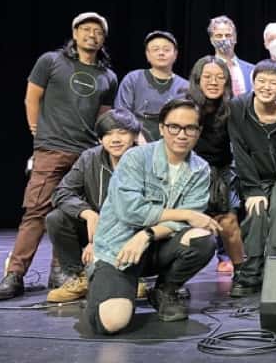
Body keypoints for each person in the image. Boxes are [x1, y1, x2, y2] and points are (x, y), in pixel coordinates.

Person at [0, 12, 117, 301]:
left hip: (86, 153)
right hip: (51, 148)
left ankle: (60, 271)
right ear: (75, 33)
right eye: (85, 29)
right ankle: (15, 274)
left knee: (73, 213)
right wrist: (36, 131)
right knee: (35, 211)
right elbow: (32, 97)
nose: (91, 35)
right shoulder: (51, 61)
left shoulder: (107, 76)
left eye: (97, 31)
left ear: (103, 38)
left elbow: (104, 115)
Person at [85, 99, 219, 334]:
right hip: (119, 248)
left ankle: (164, 290)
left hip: (156, 246)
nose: (182, 134)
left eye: (190, 128)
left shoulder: (200, 168)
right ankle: (104, 282)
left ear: (198, 132)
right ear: (161, 128)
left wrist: (147, 234)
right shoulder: (136, 158)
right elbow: (131, 210)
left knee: (202, 237)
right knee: (112, 323)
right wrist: (186, 214)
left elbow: (189, 222)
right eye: (174, 127)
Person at [45, 110, 140, 303]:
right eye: (108, 133)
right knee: (56, 219)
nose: (115, 139)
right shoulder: (89, 158)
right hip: (94, 228)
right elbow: (61, 192)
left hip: (134, 229)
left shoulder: (147, 160)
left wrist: (98, 239)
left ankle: (136, 278)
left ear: (134, 136)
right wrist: (87, 213)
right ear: (100, 139)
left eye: (122, 132)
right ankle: (79, 278)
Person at [227, 59, 276, 296]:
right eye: (261, 81)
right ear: (252, 82)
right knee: (256, 212)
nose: (267, 87)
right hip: (253, 176)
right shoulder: (238, 107)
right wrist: (253, 189)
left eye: (273, 83)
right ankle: (251, 273)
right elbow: (240, 150)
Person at [186, 56, 245, 275]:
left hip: (220, 172)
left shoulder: (233, 107)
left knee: (229, 221)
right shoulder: (185, 105)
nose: (214, 82)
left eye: (220, 77)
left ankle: (241, 273)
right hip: (187, 171)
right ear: (197, 80)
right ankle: (171, 281)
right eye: (208, 77)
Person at [115, 31, 188, 143]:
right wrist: (138, 139)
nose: (161, 53)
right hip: (135, 144)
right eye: (155, 49)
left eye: (166, 50)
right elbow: (122, 114)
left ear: (175, 55)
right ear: (147, 55)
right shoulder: (133, 78)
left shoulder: (185, 86)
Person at [208, 15, 254, 96]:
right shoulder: (205, 69)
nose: (224, 39)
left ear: (235, 38)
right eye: (219, 36)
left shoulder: (252, 70)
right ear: (211, 40)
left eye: (228, 35)